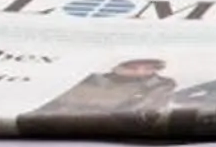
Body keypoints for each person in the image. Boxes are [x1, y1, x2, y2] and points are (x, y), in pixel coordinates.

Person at [17, 57, 174, 135]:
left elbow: (142, 116)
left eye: (148, 68)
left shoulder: (161, 85)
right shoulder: (88, 79)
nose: (140, 72)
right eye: (133, 67)